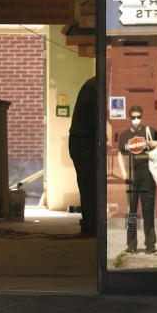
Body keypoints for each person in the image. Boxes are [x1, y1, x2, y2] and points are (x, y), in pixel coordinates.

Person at [117, 105, 157, 254]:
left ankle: (150, 245)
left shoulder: (149, 131)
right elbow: (120, 153)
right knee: (132, 212)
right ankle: (131, 245)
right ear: (130, 118)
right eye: (133, 117)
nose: (136, 120)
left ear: (141, 117)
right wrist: (123, 171)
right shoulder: (124, 135)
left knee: (149, 210)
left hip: (147, 175)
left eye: (138, 117)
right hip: (131, 175)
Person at [68, 76, 97, 238]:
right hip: (84, 142)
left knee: (89, 186)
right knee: (89, 186)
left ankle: (91, 225)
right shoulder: (95, 86)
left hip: (83, 140)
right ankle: (90, 226)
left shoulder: (94, 84)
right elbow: (88, 117)